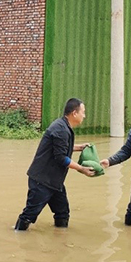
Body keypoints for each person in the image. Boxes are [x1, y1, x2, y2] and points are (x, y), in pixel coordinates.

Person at [14, 98, 94, 231]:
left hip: (54, 181)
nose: (84, 116)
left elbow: (59, 148)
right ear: (74, 113)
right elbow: (61, 158)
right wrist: (81, 169)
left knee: (62, 212)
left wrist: (79, 147)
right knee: (29, 215)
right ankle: (18, 235)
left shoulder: (63, 126)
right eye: (83, 112)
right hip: (42, 181)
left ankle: (60, 239)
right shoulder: (61, 129)